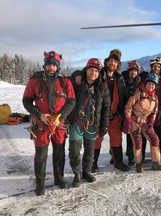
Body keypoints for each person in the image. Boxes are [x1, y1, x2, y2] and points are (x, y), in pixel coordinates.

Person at [22, 51, 76, 196]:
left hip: (59, 124)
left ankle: (59, 179)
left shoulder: (65, 82)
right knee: (41, 155)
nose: (51, 67)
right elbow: (26, 101)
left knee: (59, 153)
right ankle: (40, 184)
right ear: (45, 65)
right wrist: (40, 115)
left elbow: (71, 101)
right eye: (49, 64)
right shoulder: (35, 80)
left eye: (54, 65)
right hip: (41, 124)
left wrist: (60, 116)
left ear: (58, 66)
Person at [67, 58, 110, 187]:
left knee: (90, 151)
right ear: (86, 70)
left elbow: (106, 108)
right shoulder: (77, 83)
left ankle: (86, 171)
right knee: (74, 150)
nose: (93, 73)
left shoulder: (102, 88)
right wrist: (75, 75)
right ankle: (77, 174)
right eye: (91, 70)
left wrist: (104, 125)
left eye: (96, 71)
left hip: (92, 123)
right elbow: (66, 81)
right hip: (77, 121)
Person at [122, 73, 161, 173]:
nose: (151, 86)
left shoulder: (155, 98)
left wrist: (151, 122)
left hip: (145, 121)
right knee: (138, 142)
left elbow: (154, 111)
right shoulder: (138, 94)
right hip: (135, 121)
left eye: (153, 84)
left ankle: (156, 162)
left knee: (154, 139)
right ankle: (138, 164)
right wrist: (128, 121)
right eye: (149, 83)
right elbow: (128, 107)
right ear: (146, 83)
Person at [93, 50, 130, 171]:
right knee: (97, 139)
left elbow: (123, 96)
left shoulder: (119, 79)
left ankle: (117, 161)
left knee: (116, 138)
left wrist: (123, 114)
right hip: (99, 115)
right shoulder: (98, 75)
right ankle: (93, 163)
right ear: (106, 62)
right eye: (111, 61)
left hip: (115, 115)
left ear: (118, 65)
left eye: (115, 62)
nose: (113, 63)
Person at [121, 60, 142, 165]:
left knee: (134, 135)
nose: (133, 73)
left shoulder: (140, 81)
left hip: (136, 112)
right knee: (122, 134)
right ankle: (114, 154)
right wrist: (128, 91)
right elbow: (121, 94)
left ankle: (132, 156)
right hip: (124, 110)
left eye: (135, 71)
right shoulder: (123, 81)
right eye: (132, 71)